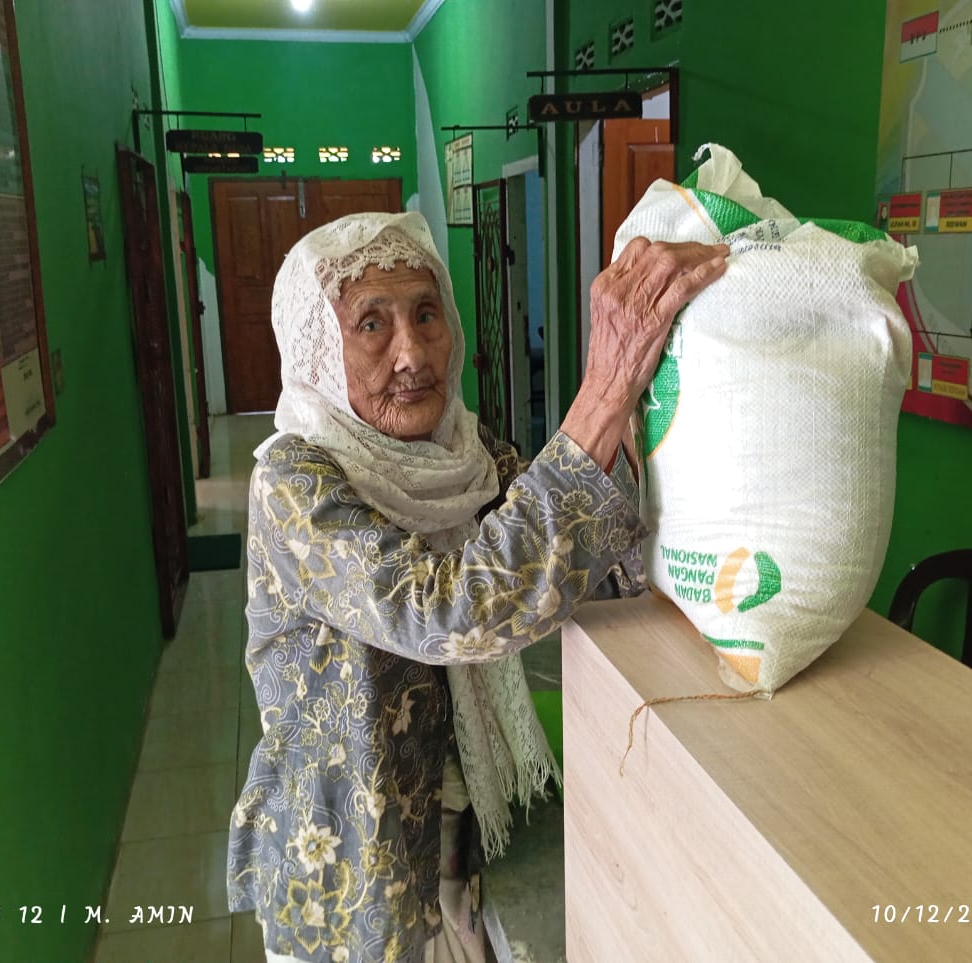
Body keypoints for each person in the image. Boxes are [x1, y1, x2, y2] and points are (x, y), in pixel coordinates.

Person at [227, 210, 728, 963]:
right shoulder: (294, 482)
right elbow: (450, 609)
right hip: (351, 875)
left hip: (459, 847)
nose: (412, 353)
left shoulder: (465, 454)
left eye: (426, 314)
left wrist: (641, 417)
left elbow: (580, 566)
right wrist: (601, 395)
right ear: (319, 350)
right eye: (372, 324)